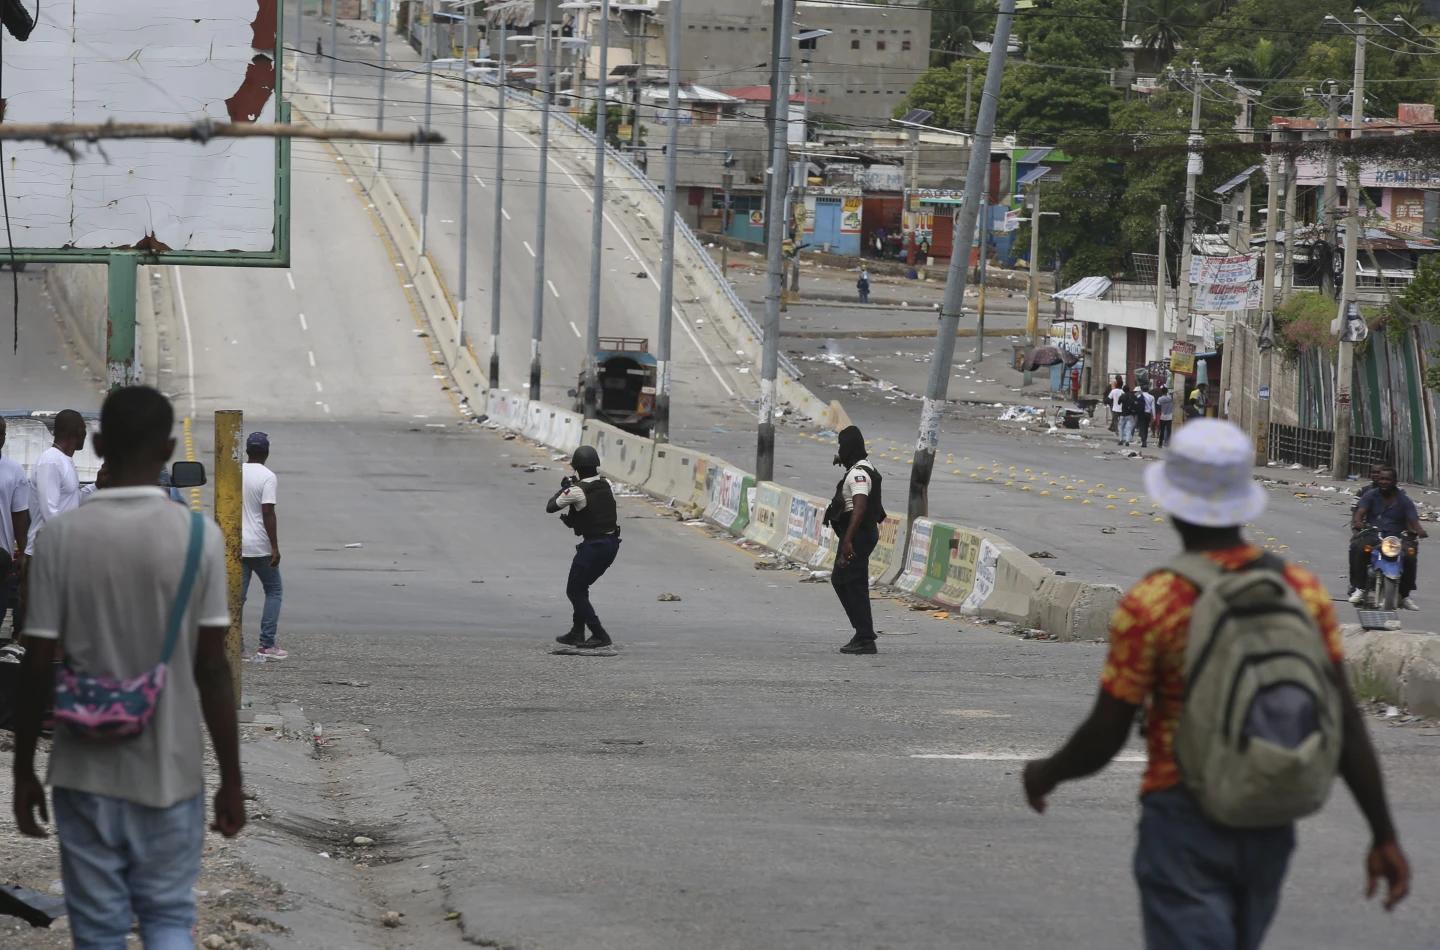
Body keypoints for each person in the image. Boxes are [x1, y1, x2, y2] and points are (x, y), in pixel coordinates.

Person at [1022, 420, 1410, 949]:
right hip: (1269, 814)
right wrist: (1383, 833)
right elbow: (1343, 719)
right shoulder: (1300, 590)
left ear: (1174, 502)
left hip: (1183, 812)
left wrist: (1047, 773)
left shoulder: (1154, 601)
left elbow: (1107, 731)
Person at [11, 385, 246, 947]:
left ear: (97, 443)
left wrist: (23, 771)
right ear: (169, 448)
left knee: (98, 930)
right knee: (167, 918)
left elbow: (37, 664)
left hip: (81, 772)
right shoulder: (199, 538)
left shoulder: (63, 538)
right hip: (170, 770)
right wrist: (231, 779)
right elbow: (212, 670)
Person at [547, 445, 621, 650]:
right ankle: (577, 632)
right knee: (581, 588)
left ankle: (599, 634)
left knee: (574, 590)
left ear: (577, 468)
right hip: (611, 544)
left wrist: (564, 488)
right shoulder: (606, 484)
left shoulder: (576, 490)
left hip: (594, 546)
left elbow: (551, 506)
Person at [824, 426, 885, 655]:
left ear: (848, 448)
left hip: (858, 536)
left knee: (847, 582)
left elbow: (859, 506)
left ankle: (865, 636)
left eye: (841, 446)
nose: (839, 451)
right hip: (861, 535)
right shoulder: (863, 467)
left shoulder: (858, 474)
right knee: (847, 582)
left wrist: (848, 541)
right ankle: (863, 633)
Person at [1349, 465, 1427, 609]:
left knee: (1410, 555)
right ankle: (1359, 587)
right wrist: (1358, 522)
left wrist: (1419, 530)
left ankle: (1404, 595)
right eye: (1382, 479)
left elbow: (1413, 519)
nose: (1384, 482)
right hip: (1374, 534)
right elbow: (1360, 512)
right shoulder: (1370, 495)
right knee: (1358, 548)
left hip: (1397, 537)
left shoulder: (1404, 499)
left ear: (1395, 481)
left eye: (1387, 479)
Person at [241, 432, 286, 660]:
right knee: (274, 590)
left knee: (238, 597)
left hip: (236, 543)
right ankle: (267, 644)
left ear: (247, 451)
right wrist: (275, 547)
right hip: (259, 544)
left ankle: (236, 647)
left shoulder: (235, 471)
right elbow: (268, 511)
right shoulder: (268, 477)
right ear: (267, 452)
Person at [26, 409, 86, 558]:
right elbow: (50, 512)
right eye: (84, 429)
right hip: (45, 554)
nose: (85, 434)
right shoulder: (51, 461)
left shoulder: (64, 460)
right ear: (78, 431)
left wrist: (97, 485)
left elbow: (71, 500)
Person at [0, 417, 29, 640]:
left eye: (2, 433)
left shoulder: (14, 470)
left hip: (2, 555)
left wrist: (22, 553)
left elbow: (19, 515)